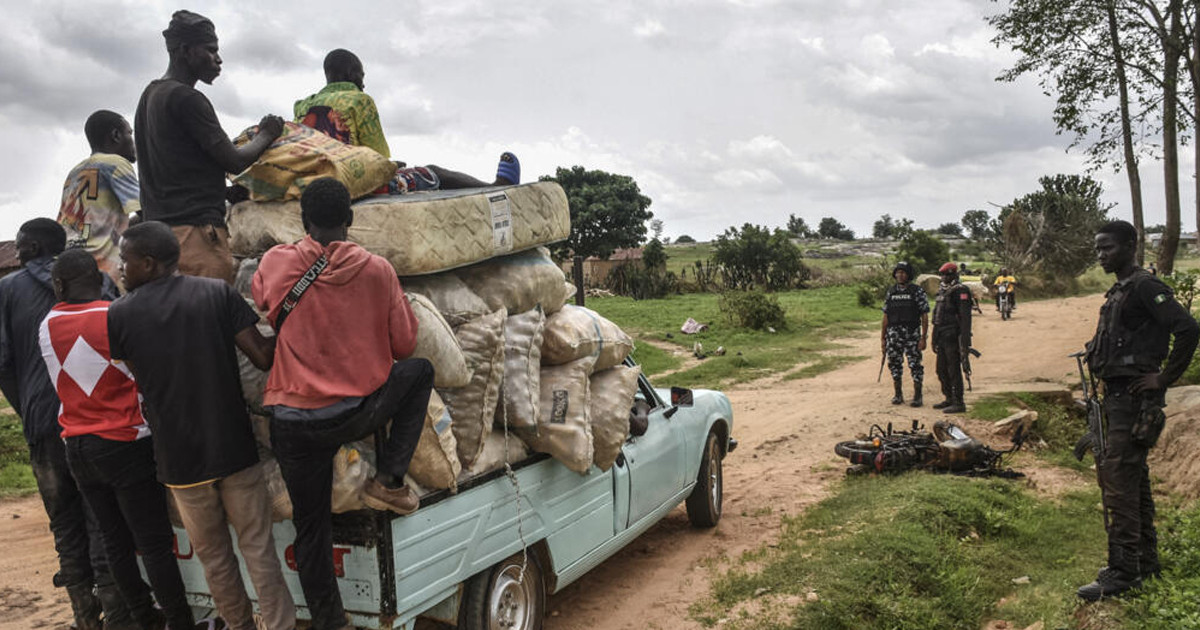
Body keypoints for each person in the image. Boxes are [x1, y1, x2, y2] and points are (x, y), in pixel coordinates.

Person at [252, 178, 432, 630]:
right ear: (350, 219)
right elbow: (405, 346)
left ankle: (331, 621)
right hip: (354, 415)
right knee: (420, 372)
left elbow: (261, 299)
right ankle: (388, 480)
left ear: (303, 221)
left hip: (293, 423)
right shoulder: (378, 271)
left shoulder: (275, 262)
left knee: (311, 528)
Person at [107, 221, 296, 630]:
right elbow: (262, 357)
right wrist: (293, 314)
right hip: (233, 447)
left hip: (180, 460)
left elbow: (143, 379)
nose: (120, 268)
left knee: (214, 558)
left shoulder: (119, 314)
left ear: (148, 263)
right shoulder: (216, 293)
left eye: (124, 260)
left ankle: (238, 625)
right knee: (258, 549)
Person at [39, 249, 200, 630]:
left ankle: (144, 619)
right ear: (100, 279)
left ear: (59, 285)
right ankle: (179, 621)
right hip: (126, 443)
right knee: (154, 543)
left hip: (78, 447)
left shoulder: (47, 324)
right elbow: (146, 375)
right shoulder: (117, 315)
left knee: (115, 542)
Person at [0, 220, 131, 630]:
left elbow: (3, 364)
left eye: (20, 246)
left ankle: (85, 618)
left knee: (65, 526)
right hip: (101, 424)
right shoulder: (100, 283)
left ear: (31, 247)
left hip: (45, 426)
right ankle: (118, 617)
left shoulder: (7, 290)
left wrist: (30, 411)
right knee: (105, 522)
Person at [1077, 220, 1199, 601]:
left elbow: (1188, 329)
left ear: (1131, 246)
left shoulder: (1145, 287)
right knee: (1133, 478)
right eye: (1098, 249)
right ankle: (1144, 561)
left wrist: (1164, 378)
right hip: (1119, 398)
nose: (1101, 255)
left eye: (1108, 248)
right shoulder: (1121, 289)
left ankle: (1123, 571)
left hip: (1133, 400)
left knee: (1117, 481)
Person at [135, 9, 285, 283]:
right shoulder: (187, 98)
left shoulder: (151, 94)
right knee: (205, 308)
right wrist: (267, 134)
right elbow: (235, 161)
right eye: (210, 49)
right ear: (185, 50)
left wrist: (225, 192)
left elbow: (178, 169)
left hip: (159, 236)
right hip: (195, 237)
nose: (218, 59)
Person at [294, 48, 520, 192]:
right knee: (433, 173)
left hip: (311, 184)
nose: (363, 84)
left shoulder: (302, 105)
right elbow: (378, 157)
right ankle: (497, 188)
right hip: (356, 184)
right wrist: (390, 166)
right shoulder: (360, 100)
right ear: (351, 74)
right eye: (361, 76)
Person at [58, 110, 141, 287]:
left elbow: (95, 222)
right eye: (129, 134)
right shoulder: (115, 163)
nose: (133, 141)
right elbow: (147, 212)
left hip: (69, 268)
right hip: (103, 270)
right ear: (116, 135)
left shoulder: (74, 172)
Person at [880, 261, 929, 407]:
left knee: (915, 364)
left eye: (903, 272)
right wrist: (883, 338)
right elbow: (885, 316)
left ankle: (918, 396)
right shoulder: (891, 292)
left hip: (912, 334)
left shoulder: (917, 291)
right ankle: (898, 394)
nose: (900, 275)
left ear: (908, 275)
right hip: (893, 335)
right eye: (898, 272)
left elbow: (924, 315)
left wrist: (923, 337)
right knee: (894, 363)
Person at [931, 262, 972, 414]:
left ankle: (959, 402)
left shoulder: (961, 290)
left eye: (947, 275)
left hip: (954, 336)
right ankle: (948, 398)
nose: (944, 277)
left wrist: (965, 341)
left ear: (954, 274)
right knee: (941, 370)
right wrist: (934, 338)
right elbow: (937, 317)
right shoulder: (942, 291)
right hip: (942, 335)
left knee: (954, 369)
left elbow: (965, 318)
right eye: (942, 275)